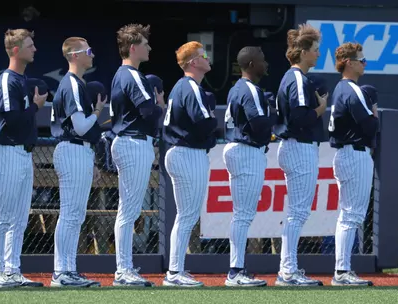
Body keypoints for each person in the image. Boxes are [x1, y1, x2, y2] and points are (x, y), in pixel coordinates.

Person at [0, 28, 47, 288]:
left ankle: (13, 270)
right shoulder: (7, 80)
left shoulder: (22, 80)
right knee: (3, 214)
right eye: (29, 45)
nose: (34, 49)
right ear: (16, 50)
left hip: (22, 153)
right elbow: (11, 120)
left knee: (21, 216)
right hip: (7, 151)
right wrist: (35, 106)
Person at [109, 23, 165, 287]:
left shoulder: (126, 74)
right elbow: (148, 110)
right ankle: (123, 269)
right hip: (132, 143)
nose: (149, 47)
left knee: (129, 209)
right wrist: (161, 107)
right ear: (133, 47)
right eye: (145, 43)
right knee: (129, 210)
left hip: (132, 142)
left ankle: (125, 267)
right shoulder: (130, 74)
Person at [273, 23, 327, 286]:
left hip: (294, 146)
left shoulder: (293, 77)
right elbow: (299, 118)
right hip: (298, 146)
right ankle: (288, 270)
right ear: (304, 51)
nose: (318, 53)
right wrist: (321, 108)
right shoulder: (296, 78)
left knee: (297, 212)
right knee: (297, 213)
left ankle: (288, 268)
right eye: (315, 49)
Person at [49, 37, 105, 288]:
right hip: (72, 148)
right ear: (74, 55)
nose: (92, 55)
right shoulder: (72, 83)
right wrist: (97, 113)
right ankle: (62, 271)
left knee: (75, 214)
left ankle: (68, 269)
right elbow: (81, 127)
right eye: (88, 51)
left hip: (77, 150)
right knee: (70, 214)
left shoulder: (76, 83)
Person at [161, 41, 217, 287]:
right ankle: (174, 272)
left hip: (182, 152)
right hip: (187, 153)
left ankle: (176, 270)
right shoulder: (191, 86)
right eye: (204, 55)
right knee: (187, 216)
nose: (208, 58)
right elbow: (205, 123)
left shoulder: (183, 86)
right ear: (194, 62)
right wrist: (212, 122)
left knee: (187, 215)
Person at [223, 46, 276, 287]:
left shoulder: (237, 88)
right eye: (263, 59)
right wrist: (274, 113)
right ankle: (236, 271)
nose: (266, 63)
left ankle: (237, 268)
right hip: (246, 150)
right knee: (243, 215)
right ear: (252, 64)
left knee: (241, 214)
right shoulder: (250, 89)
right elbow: (259, 125)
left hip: (239, 148)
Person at [328, 42, 377, 286]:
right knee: (351, 216)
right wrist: (374, 109)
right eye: (361, 59)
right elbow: (371, 125)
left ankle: (342, 269)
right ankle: (342, 271)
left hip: (345, 153)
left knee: (347, 215)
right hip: (354, 153)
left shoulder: (339, 88)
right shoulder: (352, 89)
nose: (364, 63)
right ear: (349, 62)